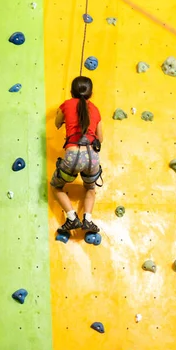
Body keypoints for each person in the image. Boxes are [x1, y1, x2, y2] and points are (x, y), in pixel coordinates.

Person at [50, 76, 103, 236]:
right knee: (90, 188)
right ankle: (87, 218)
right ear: (91, 93)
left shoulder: (66, 105)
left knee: (56, 186)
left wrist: (64, 116)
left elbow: (57, 123)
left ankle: (72, 216)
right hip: (92, 156)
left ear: (71, 91)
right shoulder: (95, 109)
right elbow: (100, 139)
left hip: (73, 155)